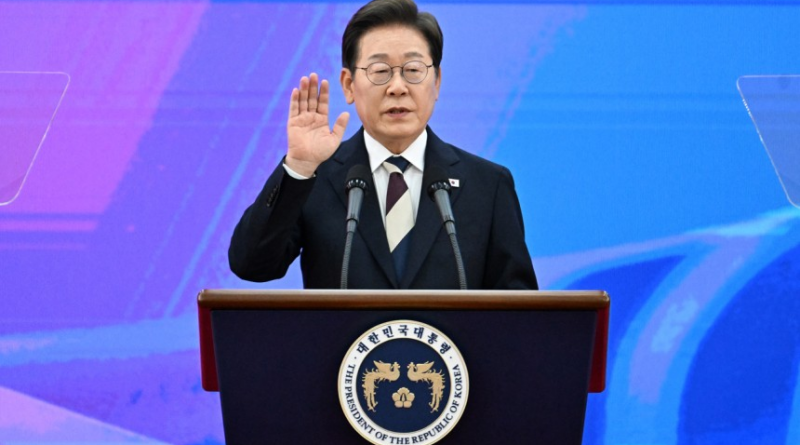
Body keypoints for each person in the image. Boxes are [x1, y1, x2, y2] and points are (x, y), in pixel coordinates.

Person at [229, 0, 537, 290]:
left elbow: (518, 310)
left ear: (437, 82)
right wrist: (299, 167)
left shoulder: (488, 185)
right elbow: (252, 265)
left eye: (413, 70)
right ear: (349, 85)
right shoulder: (315, 178)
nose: (397, 87)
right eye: (380, 72)